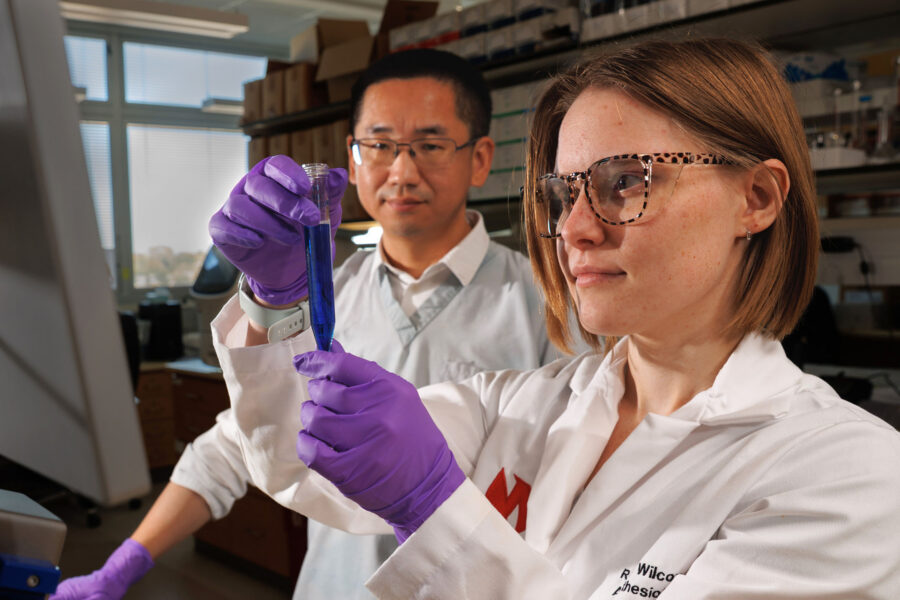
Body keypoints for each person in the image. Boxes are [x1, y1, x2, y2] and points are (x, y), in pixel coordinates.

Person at [190, 37, 900, 598]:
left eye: (626, 182)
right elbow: (296, 462)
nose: (575, 229)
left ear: (757, 197)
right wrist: (275, 303)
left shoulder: (847, 475)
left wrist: (436, 508)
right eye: (563, 194)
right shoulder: (521, 405)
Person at [51, 49, 564, 600]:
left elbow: (570, 482)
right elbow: (236, 445)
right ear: (353, 157)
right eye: (380, 145)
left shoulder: (550, 301)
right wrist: (125, 563)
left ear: (480, 158)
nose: (402, 171)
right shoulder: (319, 296)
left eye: (431, 145)